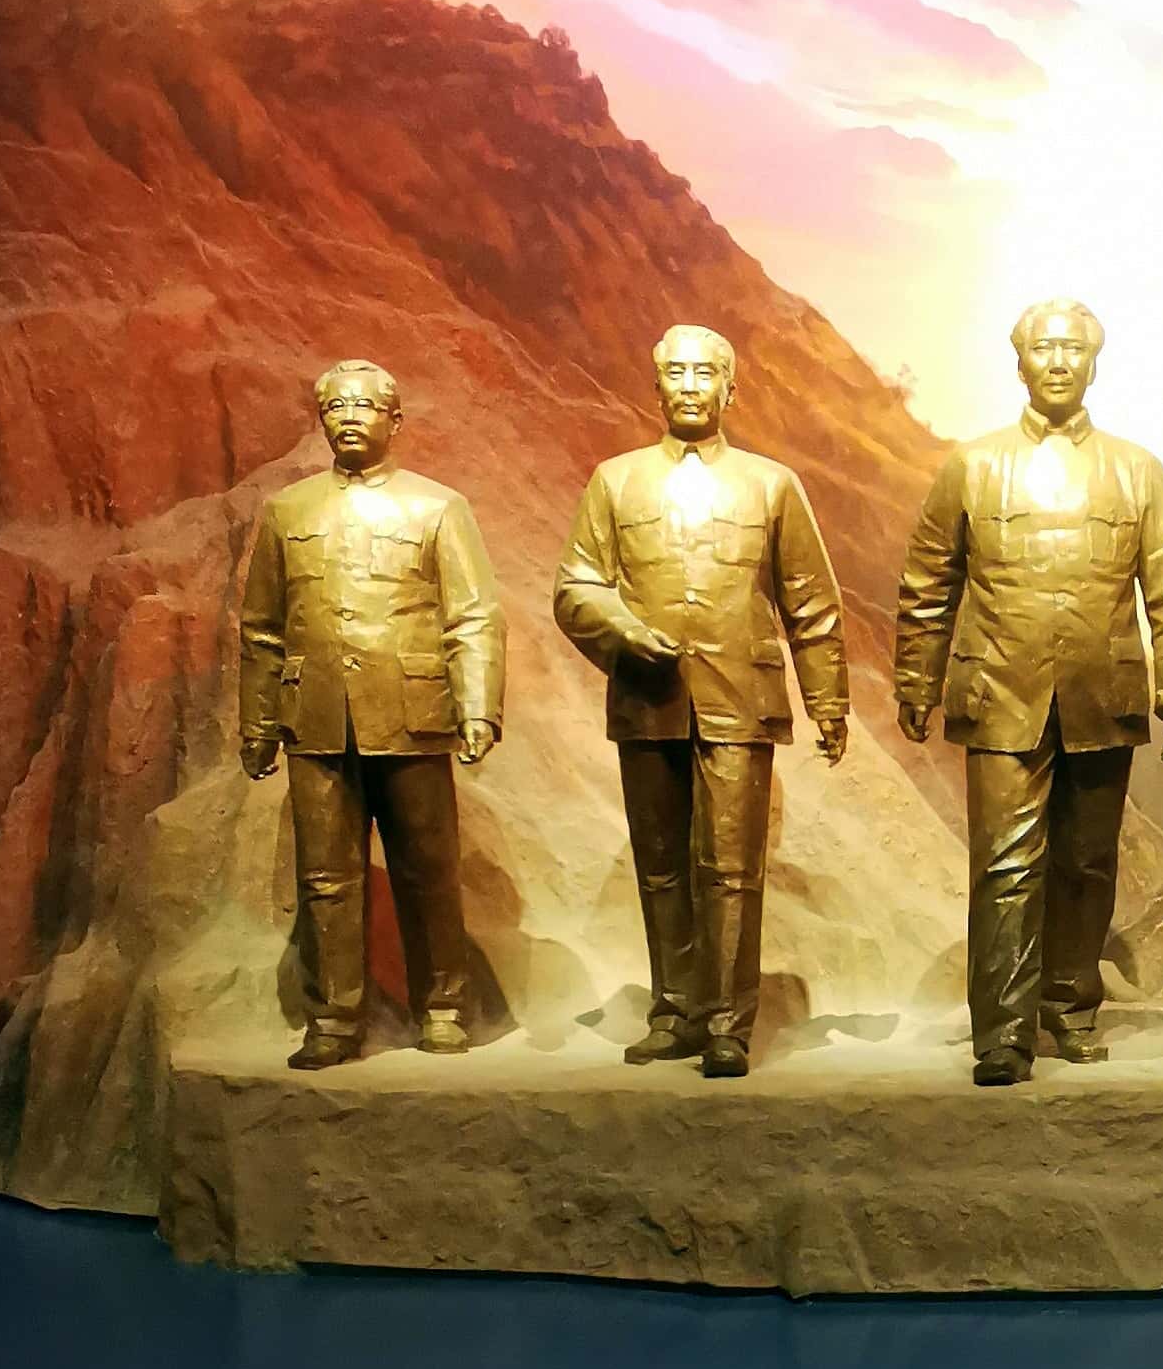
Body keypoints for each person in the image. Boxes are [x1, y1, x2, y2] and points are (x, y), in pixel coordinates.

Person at [895, 301, 1163, 1085]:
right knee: (1004, 865)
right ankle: (1002, 1030)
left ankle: (1069, 1007)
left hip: (1103, 693)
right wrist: (916, 678)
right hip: (1000, 690)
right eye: (1043, 347)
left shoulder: (1137, 470)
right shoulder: (972, 467)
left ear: (1094, 362)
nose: (1059, 361)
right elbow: (928, 582)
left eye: (1073, 348)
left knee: (1086, 863)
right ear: (1020, 361)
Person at [554, 325, 850, 1078]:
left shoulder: (770, 484)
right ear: (655, 386)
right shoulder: (615, 481)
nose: (689, 385)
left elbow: (810, 601)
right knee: (660, 868)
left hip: (739, 697)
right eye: (675, 372)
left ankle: (726, 1022)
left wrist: (828, 702)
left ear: (730, 388)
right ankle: (674, 1011)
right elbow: (575, 587)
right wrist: (624, 630)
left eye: (704, 372)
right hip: (647, 698)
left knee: (731, 868)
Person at [237, 361, 503, 1067]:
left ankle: (442, 1007)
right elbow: (262, 628)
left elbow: (473, 616)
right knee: (325, 879)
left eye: (364, 405)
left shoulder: (437, 507)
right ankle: (332, 1018)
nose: (349, 416)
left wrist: (477, 708)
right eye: (335, 406)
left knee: (427, 870)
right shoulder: (288, 511)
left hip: (413, 714)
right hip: (317, 718)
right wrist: (258, 724)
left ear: (395, 420)